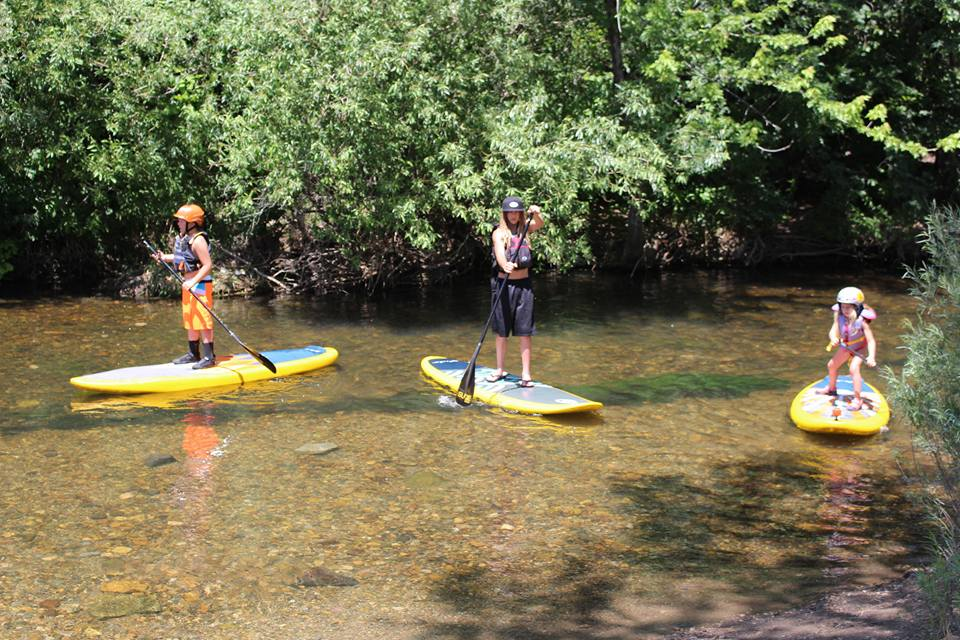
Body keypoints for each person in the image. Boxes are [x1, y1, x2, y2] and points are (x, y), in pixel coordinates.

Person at [485, 196, 545, 387]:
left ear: (520, 213)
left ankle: (526, 375)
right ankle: (500, 370)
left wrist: (537, 212)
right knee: (502, 333)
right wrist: (505, 265)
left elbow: (539, 223)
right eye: (509, 212)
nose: (512, 215)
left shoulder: (525, 229)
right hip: (504, 288)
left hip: (524, 287)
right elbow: (500, 256)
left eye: (516, 212)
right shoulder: (499, 233)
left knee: (524, 332)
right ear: (504, 214)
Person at [152, 204, 216, 369]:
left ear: (192, 222)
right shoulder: (186, 239)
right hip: (189, 285)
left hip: (200, 285)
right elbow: (182, 258)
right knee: (191, 318)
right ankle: (193, 354)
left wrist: (193, 282)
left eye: (181, 221)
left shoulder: (199, 240)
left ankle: (209, 357)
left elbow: (207, 265)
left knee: (202, 320)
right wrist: (163, 257)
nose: (178, 224)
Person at [817, 286, 877, 410]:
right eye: (843, 306)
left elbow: (871, 341)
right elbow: (833, 331)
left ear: (856, 307)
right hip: (847, 347)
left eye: (849, 307)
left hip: (859, 349)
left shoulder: (862, 322)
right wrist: (833, 338)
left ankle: (857, 399)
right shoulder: (839, 316)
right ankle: (832, 389)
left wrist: (871, 357)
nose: (845, 310)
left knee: (853, 369)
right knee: (831, 365)